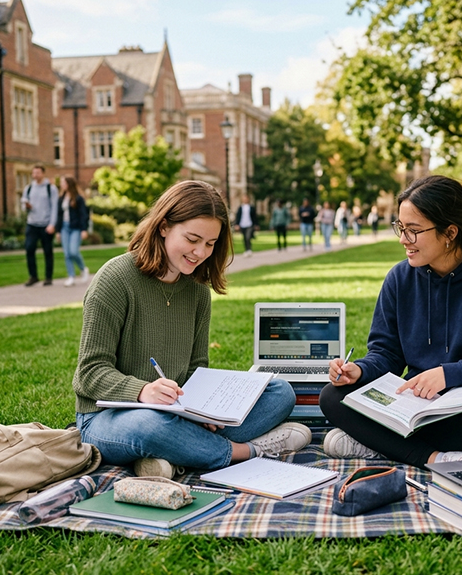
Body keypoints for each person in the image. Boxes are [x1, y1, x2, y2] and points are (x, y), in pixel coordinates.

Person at [73, 180, 311, 477]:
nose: (200, 252)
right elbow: (89, 374)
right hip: (109, 419)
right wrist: (143, 391)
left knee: (279, 391)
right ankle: (247, 452)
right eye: (192, 239)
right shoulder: (115, 279)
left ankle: (173, 456)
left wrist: (205, 410)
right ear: (163, 226)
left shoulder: (197, 291)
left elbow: (196, 369)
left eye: (210, 244)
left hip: (177, 413)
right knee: (150, 426)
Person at [319, 175, 462, 469]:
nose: (402, 239)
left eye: (414, 230)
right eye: (401, 227)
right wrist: (359, 370)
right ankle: (431, 458)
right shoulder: (399, 279)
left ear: (449, 233)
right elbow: (387, 355)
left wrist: (449, 375)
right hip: (416, 410)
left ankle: (385, 445)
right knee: (333, 397)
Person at [21, 164, 59, 286]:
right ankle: (33, 276)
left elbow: (55, 207)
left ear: (43, 173)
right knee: (29, 249)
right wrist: (26, 206)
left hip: (46, 224)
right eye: (34, 173)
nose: (35, 175)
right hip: (32, 223)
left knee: (48, 251)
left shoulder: (51, 188)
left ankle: (48, 277)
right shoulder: (28, 188)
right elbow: (23, 205)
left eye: (38, 173)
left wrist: (52, 224)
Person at [55, 175, 90, 287]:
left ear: (69, 184)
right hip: (64, 227)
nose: (61, 185)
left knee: (73, 251)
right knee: (67, 254)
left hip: (75, 228)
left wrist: (84, 229)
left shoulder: (78, 198)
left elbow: (83, 215)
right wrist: (58, 231)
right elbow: (59, 216)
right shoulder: (61, 198)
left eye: (63, 183)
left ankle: (83, 269)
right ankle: (71, 276)